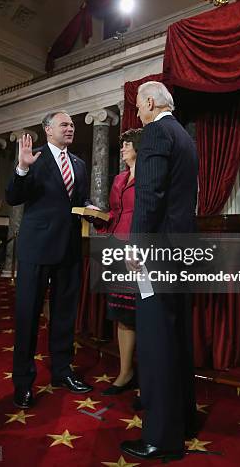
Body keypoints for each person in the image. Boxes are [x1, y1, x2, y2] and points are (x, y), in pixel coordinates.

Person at [120, 81, 199, 462]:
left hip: (157, 254)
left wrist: (136, 247)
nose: (137, 112)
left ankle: (162, 438)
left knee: (156, 340)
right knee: (178, 334)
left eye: (138, 105)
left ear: (151, 102)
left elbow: (149, 195)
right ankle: (184, 418)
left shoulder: (155, 131)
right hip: (182, 250)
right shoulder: (184, 135)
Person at [5, 110, 96, 409]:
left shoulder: (80, 164)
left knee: (64, 315)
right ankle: (23, 383)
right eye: (64, 124)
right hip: (37, 248)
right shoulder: (34, 156)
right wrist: (21, 168)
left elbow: (77, 201)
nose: (70, 128)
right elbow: (13, 197)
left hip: (69, 249)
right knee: (28, 316)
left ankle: (61, 372)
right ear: (48, 130)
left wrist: (91, 208)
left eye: (72, 124)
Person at [96, 128, 142, 396]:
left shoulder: (149, 176)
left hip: (141, 251)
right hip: (118, 249)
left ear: (139, 147)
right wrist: (98, 219)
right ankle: (125, 373)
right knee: (123, 315)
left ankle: (147, 376)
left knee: (143, 315)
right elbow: (115, 213)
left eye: (127, 144)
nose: (122, 148)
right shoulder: (118, 179)